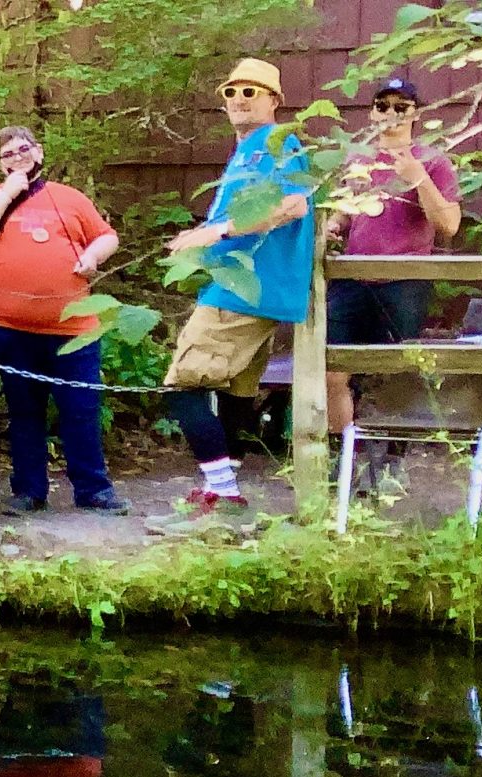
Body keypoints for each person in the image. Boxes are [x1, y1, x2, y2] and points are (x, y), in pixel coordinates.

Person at [147, 58, 317, 536]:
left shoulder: (274, 144)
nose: (240, 100)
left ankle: (222, 492)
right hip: (252, 288)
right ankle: (227, 490)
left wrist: (217, 231)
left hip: (244, 290)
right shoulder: (247, 149)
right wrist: (200, 236)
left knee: (183, 387)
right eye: (232, 92)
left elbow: (291, 205)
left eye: (252, 92)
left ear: (274, 101)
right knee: (237, 390)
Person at [0, 125, 131, 515]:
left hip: (73, 329)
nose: (18, 157)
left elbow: (106, 236)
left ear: (39, 152)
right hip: (10, 328)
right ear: (0, 164)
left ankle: (92, 489)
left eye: (24, 149)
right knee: (24, 413)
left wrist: (93, 257)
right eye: (8, 154)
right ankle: (29, 490)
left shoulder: (68, 197)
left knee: (81, 409)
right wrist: (8, 192)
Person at [328, 77, 459, 462]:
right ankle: (345, 455)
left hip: (404, 281)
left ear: (415, 113)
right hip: (352, 278)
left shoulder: (433, 161)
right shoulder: (358, 160)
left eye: (401, 106)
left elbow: (448, 226)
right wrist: (334, 225)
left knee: (398, 371)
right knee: (334, 368)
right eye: (383, 105)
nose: (391, 114)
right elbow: (346, 215)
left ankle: (390, 460)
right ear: (372, 112)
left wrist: (417, 178)